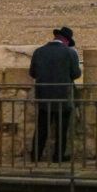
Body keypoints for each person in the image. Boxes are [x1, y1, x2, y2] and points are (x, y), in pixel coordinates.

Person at [29, 26, 81, 162]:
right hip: (63, 97)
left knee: (42, 128)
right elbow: (76, 74)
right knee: (61, 130)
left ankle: (36, 155)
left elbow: (32, 73)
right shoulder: (70, 53)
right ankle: (58, 156)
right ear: (66, 40)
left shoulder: (39, 51)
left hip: (43, 96)